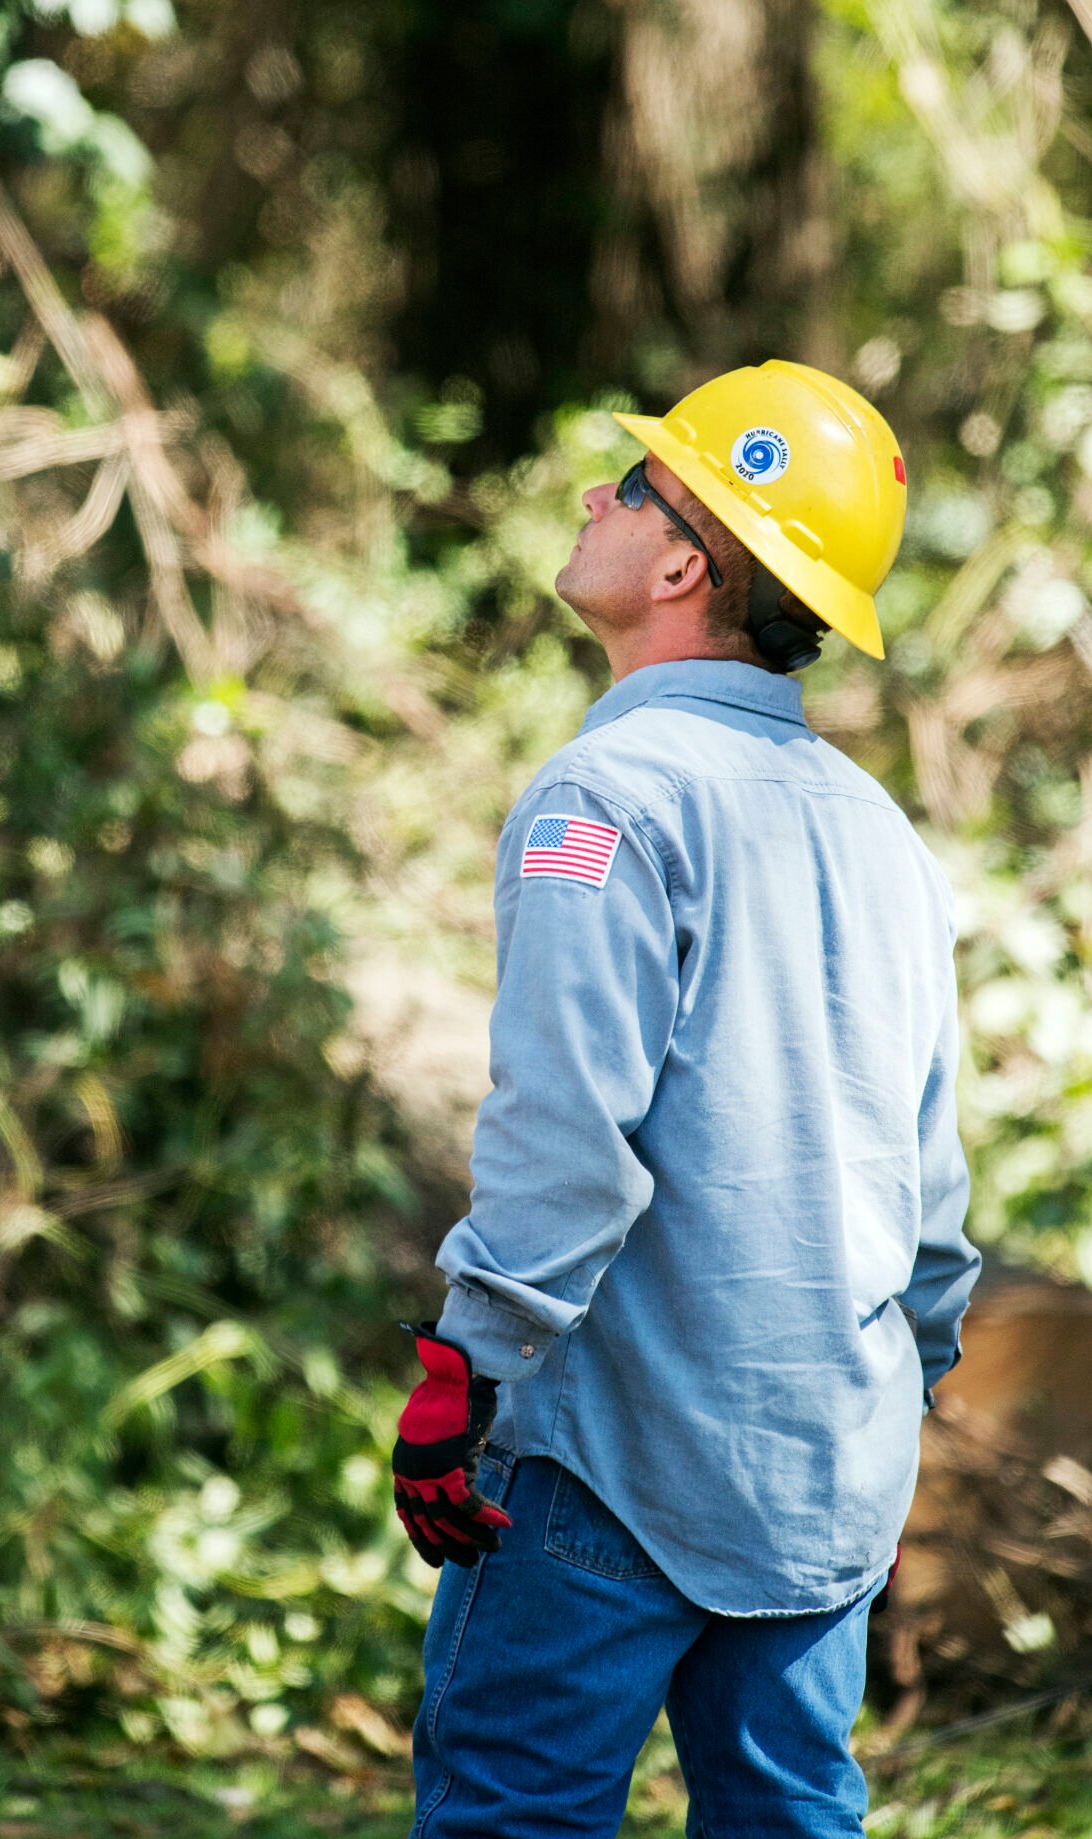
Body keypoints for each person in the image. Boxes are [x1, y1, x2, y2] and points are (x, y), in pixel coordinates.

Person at [390, 359, 982, 1839]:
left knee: (512, 1819)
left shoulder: (606, 800)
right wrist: (900, 1393)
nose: (597, 493)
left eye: (634, 483)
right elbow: (930, 1189)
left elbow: (562, 1139)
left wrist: (464, 1369)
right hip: (823, 1473)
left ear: (679, 560)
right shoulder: (880, 834)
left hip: (613, 1461)